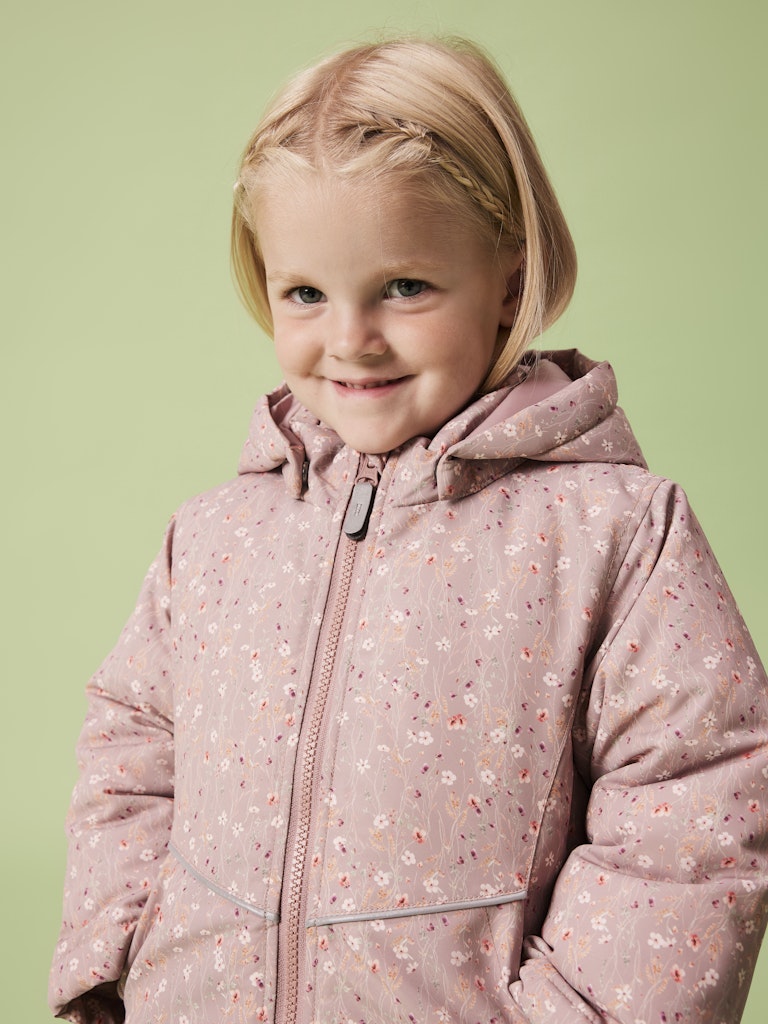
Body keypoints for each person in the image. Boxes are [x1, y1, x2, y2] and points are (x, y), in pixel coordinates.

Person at [49, 37, 768, 1024]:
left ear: (509, 282)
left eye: (404, 287)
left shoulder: (615, 536)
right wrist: (114, 958)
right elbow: (133, 743)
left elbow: (695, 818)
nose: (350, 339)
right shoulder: (215, 539)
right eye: (306, 293)